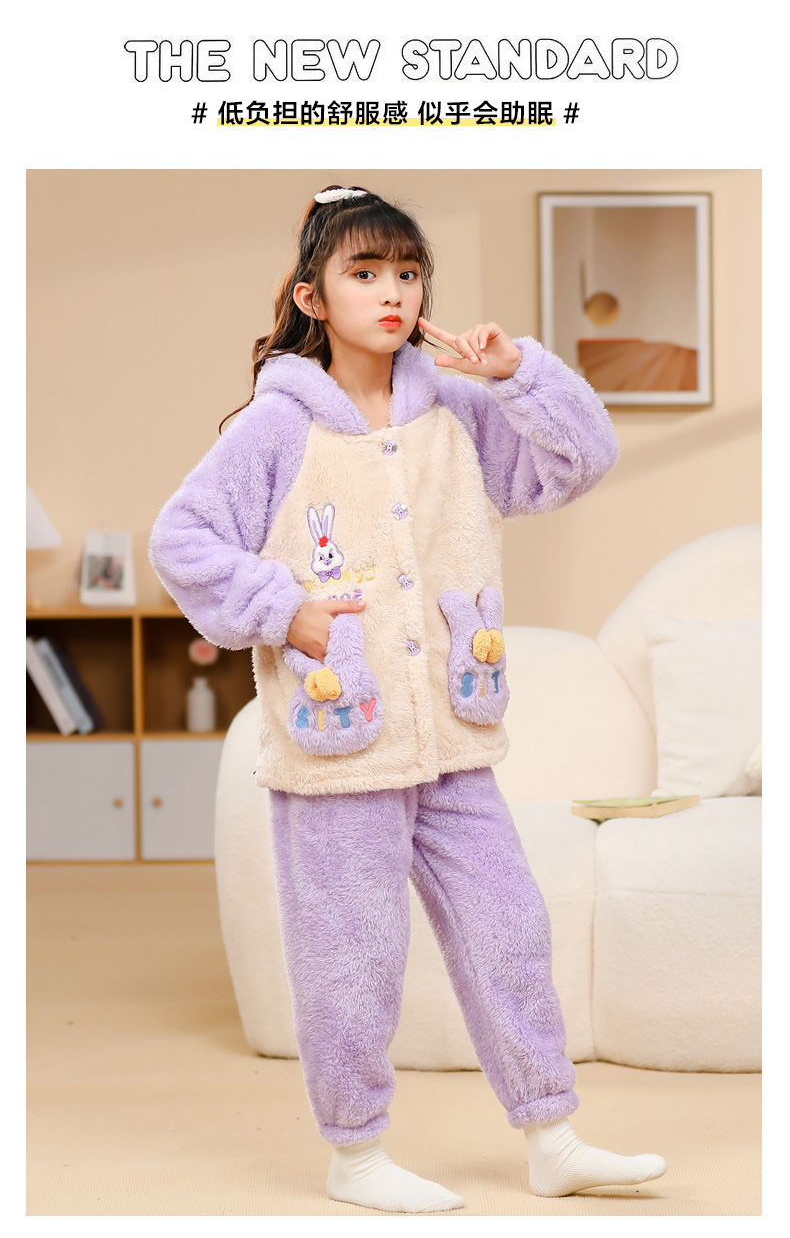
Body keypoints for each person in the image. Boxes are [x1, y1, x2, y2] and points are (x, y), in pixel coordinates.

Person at [149, 184, 667, 1213]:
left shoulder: (459, 411)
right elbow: (183, 538)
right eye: (364, 272)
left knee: (508, 928)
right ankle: (355, 1154)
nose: (392, 291)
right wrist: (286, 610)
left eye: (407, 272)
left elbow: (580, 461)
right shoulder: (278, 425)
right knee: (353, 954)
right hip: (341, 740)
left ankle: (552, 1135)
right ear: (313, 294)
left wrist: (517, 373)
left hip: (453, 736)